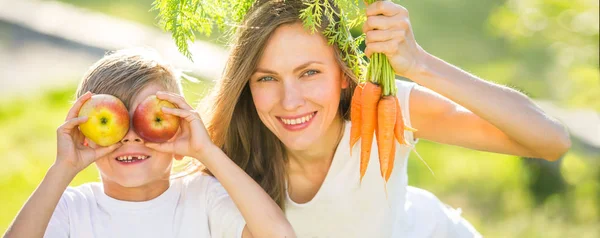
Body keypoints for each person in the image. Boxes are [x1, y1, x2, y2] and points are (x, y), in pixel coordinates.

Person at [199, 1, 571, 237]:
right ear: (245, 85)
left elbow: (551, 140)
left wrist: (419, 64)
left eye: (309, 72)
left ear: (344, 74)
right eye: (266, 78)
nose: (290, 101)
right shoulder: (229, 157)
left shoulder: (382, 110)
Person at [3, 48, 296, 238]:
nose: (131, 136)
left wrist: (205, 152)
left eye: (145, 121)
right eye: (117, 124)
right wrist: (62, 169)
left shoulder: (202, 197)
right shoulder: (70, 209)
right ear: (86, 134)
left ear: (177, 127)